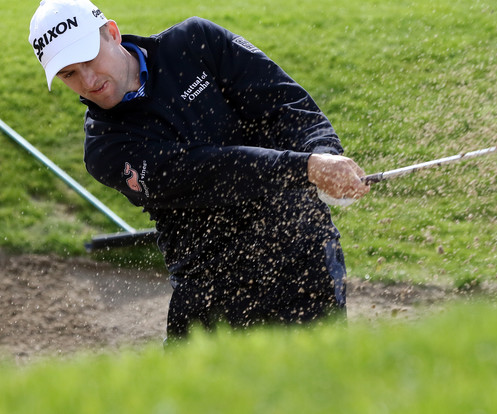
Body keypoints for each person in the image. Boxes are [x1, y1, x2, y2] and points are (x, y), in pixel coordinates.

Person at [28, 0, 370, 342]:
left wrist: (326, 159)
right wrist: (305, 168)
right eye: (68, 74)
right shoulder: (106, 148)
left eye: (88, 59)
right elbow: (208, 173)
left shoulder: (195, 42)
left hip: (303, 254)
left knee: (315, 387)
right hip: (213, 288)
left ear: (113, 34)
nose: (87, 80)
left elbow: (288, 106)